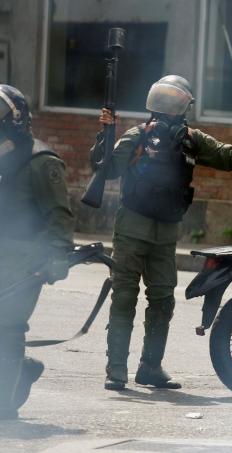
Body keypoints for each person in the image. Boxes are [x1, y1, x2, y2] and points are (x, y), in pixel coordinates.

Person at [92, 75, 232, 391]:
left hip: (165, 233)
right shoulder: (138, 136)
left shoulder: (191, 139)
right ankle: (116, 369)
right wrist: (105, 133)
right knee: (124, 296)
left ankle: (150, 368)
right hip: (132, 229)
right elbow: (106, 168)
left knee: (163, 300)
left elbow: (229, 157)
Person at [0, 85, 75, 419]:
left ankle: (4, 407)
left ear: (16, 117)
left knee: (8, 325)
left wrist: (59, 256)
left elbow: (59, 215)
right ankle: (24, 369)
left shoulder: (41, 161)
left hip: (26, 258)